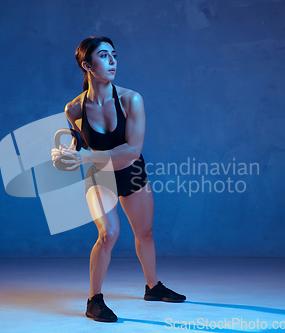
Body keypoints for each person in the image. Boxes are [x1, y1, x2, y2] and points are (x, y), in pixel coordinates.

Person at [51, 36, 186, 322]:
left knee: (145, 234)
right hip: (100, 176)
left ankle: (153, 287)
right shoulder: (73, 109)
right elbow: (79, 144)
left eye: (114, 54)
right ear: (87, 65)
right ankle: (93, 300)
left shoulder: (130, 99)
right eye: (104, 56)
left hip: (132, 171)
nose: (113, 61)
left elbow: (133, 150)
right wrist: (65, 154)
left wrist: (84, 157)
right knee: (109, 234)